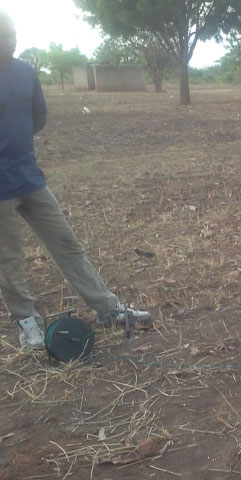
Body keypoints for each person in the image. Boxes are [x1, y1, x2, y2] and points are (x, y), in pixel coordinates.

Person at [0, 11, 151, 350]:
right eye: (2, 36)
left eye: (11, 34)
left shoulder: (26, 72)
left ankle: (108, 309)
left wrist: (16, 146)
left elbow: (38, 117)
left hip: (29, 176)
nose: (9, 41)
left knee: (67, 245)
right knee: (8, 258)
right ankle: (27, 322)